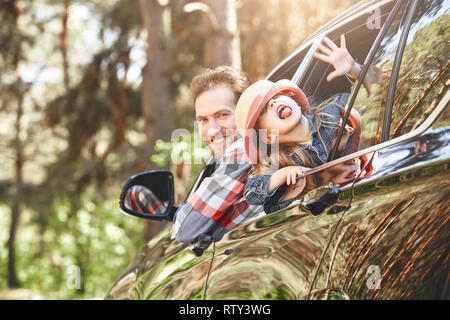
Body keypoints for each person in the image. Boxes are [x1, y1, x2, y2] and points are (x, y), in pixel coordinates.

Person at [235, 35, 390, 213]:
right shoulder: (282, 160)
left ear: (293, 98)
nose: (273, 103)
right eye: (263, 110)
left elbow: (374, 102)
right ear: (268, 136)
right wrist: (282, 175)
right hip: (339, 213)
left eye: (276, 97)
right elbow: (252, 193)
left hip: (375, 186)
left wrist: (355, 70)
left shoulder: (333, 111)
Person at [172, 66, 264, 245]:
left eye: (223, 115)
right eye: (203, 120)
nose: (212, 130)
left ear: (247, 113)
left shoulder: (245, 150)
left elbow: (184, 229)